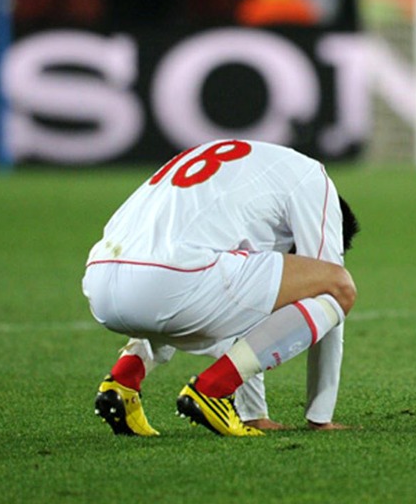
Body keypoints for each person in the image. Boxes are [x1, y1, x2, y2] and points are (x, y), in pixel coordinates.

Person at [82, 139, 359, 437]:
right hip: (171, 281)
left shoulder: (245, 168)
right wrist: (321, 416)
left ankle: (123, 382)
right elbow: (331, 280)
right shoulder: (313, 179)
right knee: (336, 286)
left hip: (100, 279)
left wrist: (254, 415)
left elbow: (246, 301)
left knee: (221, 280)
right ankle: (212, 390)